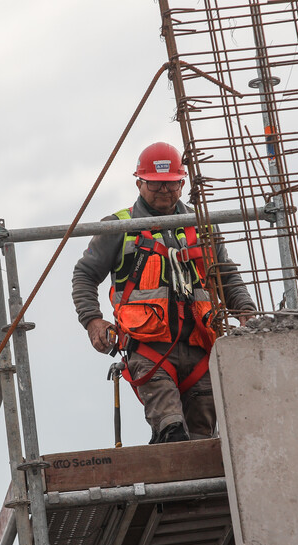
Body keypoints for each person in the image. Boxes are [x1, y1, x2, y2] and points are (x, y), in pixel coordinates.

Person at [72, 141, 256, 444]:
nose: (164, 191)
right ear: (140, 182)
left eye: (171, 185)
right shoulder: (119, 226)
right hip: (149, 350)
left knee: (204, 441)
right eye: (156, 184)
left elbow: (225, 274)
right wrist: (93, 321)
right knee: (172, 431)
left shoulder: (200, 225)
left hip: (200, 348)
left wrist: (246, 312)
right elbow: (85, 274)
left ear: (182, 183)